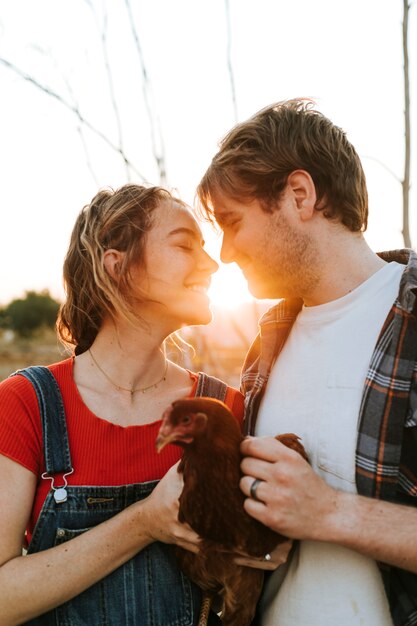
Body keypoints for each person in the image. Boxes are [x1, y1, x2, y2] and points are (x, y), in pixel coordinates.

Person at [0, 183, 284, 625]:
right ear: (118, 266)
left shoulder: (220, 410)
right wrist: (143, 523)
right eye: (185, 246)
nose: (211, 264)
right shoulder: (26, 403)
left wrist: (263, 547)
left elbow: (252, 567)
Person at [196, 99, 417, 626]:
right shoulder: (267, 342)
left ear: (299, 195)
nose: (225, 252)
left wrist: (331, 512)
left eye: (232, 222)